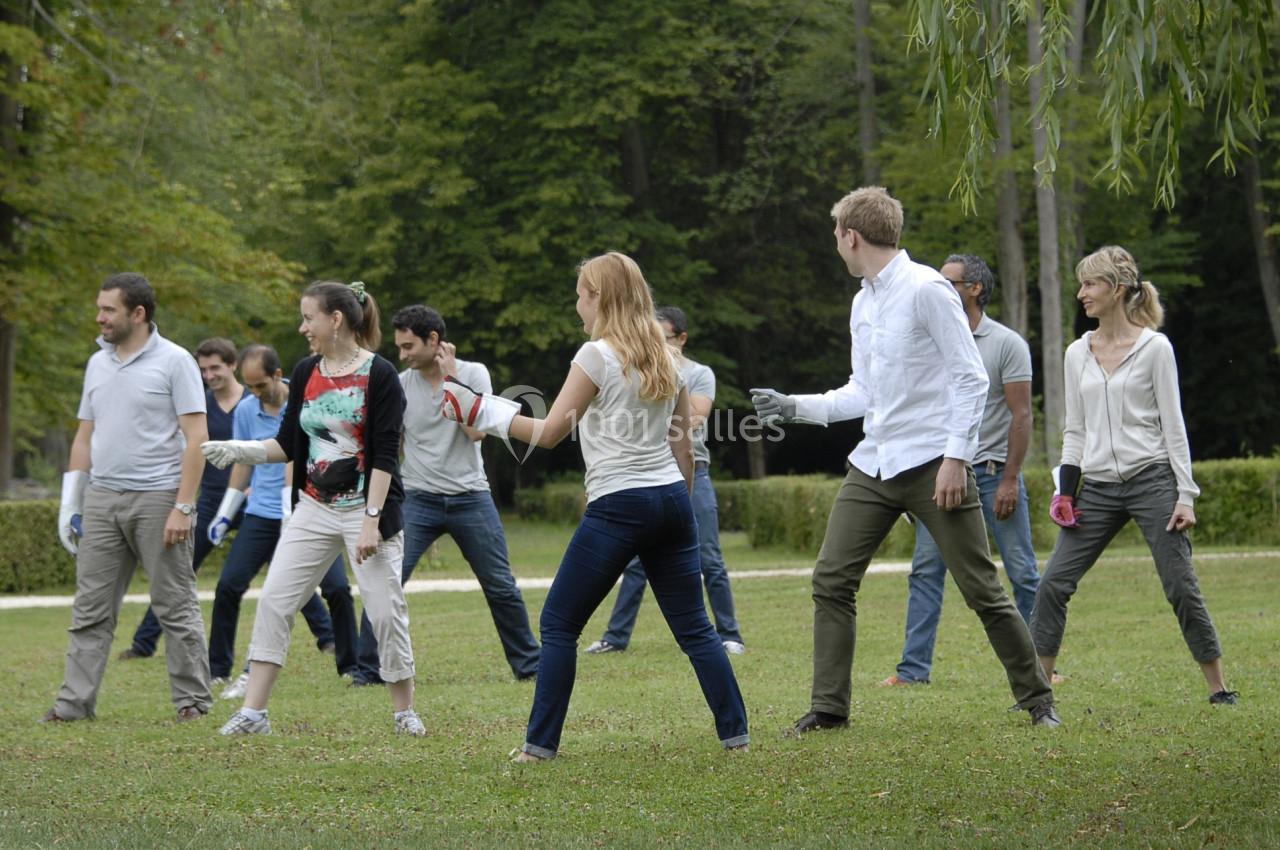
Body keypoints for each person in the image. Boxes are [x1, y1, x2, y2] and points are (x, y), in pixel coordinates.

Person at [750, 187, 1058, 731]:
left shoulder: (928, 291)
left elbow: (970, 377)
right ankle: (829, 709)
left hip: (934, 464)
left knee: (982, 589)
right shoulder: (863, 301)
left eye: (836, 237)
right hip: (873, 464)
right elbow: (861, 391)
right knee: (831, 580)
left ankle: (1038, 700)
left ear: (851, 236)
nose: (837, 247)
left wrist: (956, 459)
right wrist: (793, 406)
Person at [439, 252, 749, 760]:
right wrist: (682, 507)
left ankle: (539, 747)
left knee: (559, 625)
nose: (576, 303)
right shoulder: (668, 358)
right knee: (695, 627)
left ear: (599, 298)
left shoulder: (596, 355)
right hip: (671, 498)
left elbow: (550, 432)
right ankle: (736, 735)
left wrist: (480, 411)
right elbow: (683, 447)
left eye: (581, 293)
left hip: (621, 504)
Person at [202, 281, 424, 736]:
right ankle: (254, 713)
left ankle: (404, 711)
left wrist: (370, 523)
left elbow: (385, 453)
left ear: (335, 319)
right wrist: (238, 451)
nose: (303, 327)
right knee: (275, 601)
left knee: (383, 612)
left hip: (368, 508)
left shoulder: (378, 374)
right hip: (314, 507)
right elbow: (287, 445)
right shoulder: (305, 371)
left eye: (309, 318)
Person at [1030, 246, 1237, 705]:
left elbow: (1173, 424)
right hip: (1098, 489)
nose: (1081, 293)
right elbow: (1074, 430)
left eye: (1090, 284)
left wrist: (1186, 494)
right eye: (1081, 284)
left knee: (1180, 585)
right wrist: (1065, 491)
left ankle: (1219, 687)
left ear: (1117, 289)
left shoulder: (1154, 348)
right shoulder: (1075, 353)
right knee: (1052, 585)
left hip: (1152, 481)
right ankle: (1036, 691)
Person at [44, 273, 212, 722]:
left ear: (138, 313)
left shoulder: (176, 361)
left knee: (174, 605)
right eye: (99, 308)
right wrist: (71, 502)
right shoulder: (96, 363)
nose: (99, 317)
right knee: (89, 610)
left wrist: (184, 505)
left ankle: (191, 702)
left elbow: (197, 437)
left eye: (108, 309)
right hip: (101, 499)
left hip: (158, 497)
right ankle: (73, 705)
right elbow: (85, 435)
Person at [348, 305, 540, 685]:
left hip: (471, 497)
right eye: (399, 347)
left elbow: (476, 434)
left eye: (408, 347)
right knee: (386, 581)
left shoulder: (473, 374)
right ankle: (367, 672)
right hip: (418, 498)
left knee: (500, 585)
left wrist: (452, 381)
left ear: (434, 340)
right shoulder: (401, 384)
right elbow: (390, 448)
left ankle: (531, 667)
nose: (401, 355)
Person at [879, 254, 1044, 687]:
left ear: (974, 289)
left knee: (1022, 571)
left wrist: (1009, 479)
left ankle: (1043, 665)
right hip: (938, 476)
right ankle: (913, 671)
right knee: (926, 572)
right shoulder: (929, 339)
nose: (938, 288)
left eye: (949, 282)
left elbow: (1021, 416)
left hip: (992, 473)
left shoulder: (1006, 344)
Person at [585, 305, 745, 656]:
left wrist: (657, 423)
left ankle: (729, 634)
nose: (655, 340)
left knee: (709, 558)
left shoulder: (698, 373)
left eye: (664, 335)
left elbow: (696, 416)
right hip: (648, 476)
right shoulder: (635, 368)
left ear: (682, 339)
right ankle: (616, 637)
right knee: (636, 562)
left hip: (692, 472)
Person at [206, 344, 358, 700]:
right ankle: (218, 671)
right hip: (260, 513)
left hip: (308, 509)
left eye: (260, 385)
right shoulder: (246, 410)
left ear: (277, 375)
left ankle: (354, 666)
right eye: (249, 386)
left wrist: (291, 507)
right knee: (228, 586)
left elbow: (296, 453)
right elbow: (244, 460)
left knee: (336, 589)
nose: (255, 393)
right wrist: (226, 512)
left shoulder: (306, 399)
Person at [117, 337, 248, 663]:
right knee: (177, 569)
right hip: (211, 500)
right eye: (203, 369)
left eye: (215, 367)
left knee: (284, 570)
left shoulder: (253, 403)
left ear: (232, 365)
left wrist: (254, 489)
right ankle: (144, 643)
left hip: (253, 499)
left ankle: (327, 638)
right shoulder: (199, 406)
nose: (209, 375)